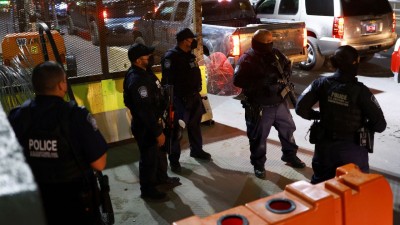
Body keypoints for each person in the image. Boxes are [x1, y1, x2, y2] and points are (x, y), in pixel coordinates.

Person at [8, 61, 108, 225]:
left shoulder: (17, 116)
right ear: (62, 85)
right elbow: (99, 163)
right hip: (75, 203)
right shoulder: (76, 116)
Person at [295, 45, 387, 184]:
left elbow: (300, 108)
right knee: (353, 189)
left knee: (321, 187)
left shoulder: (320, 83)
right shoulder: (361, 92)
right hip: (352, 149)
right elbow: (380, 125)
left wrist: (318, 116)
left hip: (324, 147)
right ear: (355, 63)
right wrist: (364, 126)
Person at [233, 29, 306, 179]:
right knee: (258, 138)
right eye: (265, 42)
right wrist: (259, 82)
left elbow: (286, 65)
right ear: (256, 42)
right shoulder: (247, 59)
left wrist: (285, 74)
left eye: (270, 41)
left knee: (288, 130)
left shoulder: (275, 53)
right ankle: (258, 165)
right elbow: (237, 81)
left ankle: (290, 155)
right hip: (259, 106)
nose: (269, 44)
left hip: (279, 102)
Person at [123, 43, 180, 200]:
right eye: (147, 56)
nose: (150, 58)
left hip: (155, 121)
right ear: (138, 60)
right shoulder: (137, 80)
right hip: (146, 126)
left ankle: (162, 179)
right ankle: (148, 190)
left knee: (160, 153)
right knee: (149, 157)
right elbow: (144, 110)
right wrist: (157, 132)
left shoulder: (145, 72)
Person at [161, 28, 211, 173]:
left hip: (194, 96)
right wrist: (172, 102)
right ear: (184, 41)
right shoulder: (171, 57)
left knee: (195, 125)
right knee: (176, 130)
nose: (193, 41)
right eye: (191, 39)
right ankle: (174, 160)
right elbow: (168, 82)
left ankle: (196, 150)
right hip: (179, 100)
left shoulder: (190, 55)